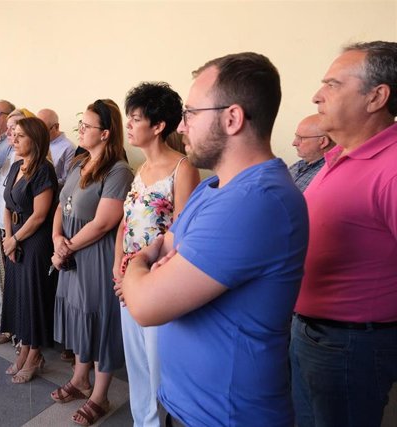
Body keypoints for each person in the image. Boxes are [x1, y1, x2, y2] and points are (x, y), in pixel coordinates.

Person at [121, 53, 308, 426]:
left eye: (191, 113)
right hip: (187, 406)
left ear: (232, 118)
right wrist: (154, 259)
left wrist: (141, 263)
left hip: (225, 415)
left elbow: (144, 304)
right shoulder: (212, 188)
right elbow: (165, 247)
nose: (183, 126)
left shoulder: (255, 200)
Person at [290, 41, 397, 427]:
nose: (318, 95)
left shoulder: (392, 168)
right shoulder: (340, 155)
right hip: (311, 332)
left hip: (351, 345)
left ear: (376, 97)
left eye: (333, 85)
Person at [112, 82, 200, 427]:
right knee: (135, 364)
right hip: (128, 279)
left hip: (157, 280)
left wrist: (143, 277)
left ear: (159, 126)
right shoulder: (139, 170)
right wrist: (119, 272)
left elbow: (181, 234)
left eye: (135, 119)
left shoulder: (183, 169)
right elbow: (125, 222)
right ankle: (142, 422)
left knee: (157, 363)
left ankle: (159, 422)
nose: (129, 125)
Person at [51, 99, 134, 426]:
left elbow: (103, 222)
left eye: (87, 126)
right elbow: (61, 205)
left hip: (95, 255)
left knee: (98, 320)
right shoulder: (77, 162)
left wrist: (66, 247)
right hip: (70, 252)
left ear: (106, 133)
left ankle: (100, 395)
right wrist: (57, 240)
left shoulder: (119, 171)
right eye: (80, 124)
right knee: (77, 314)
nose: (80, 130)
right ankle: (80, 379)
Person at [1, 117, 58, 383]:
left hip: (35, 241)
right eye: (14, 134)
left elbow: (39, 216)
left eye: (20, 135)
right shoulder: (16, 166)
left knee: (33, 298)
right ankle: (24, 347)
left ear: (35, 140)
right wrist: (8, 237)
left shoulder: (43, 170)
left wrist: (15, 240)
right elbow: (8, 206)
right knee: (19, 295)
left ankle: (34, 353)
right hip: (15, 237)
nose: (13, 138)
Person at [0, 108, 35, 345]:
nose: (11, 132)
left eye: (17, 127)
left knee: (21, 285)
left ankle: (22, 333)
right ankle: (7, 325)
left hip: (23, 232)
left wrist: (12, 237)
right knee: (5, 282)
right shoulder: (10, 156)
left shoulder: (35, 161)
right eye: (9, 128)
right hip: (4, 226)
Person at [288, 114, 335, 192]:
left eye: (301, 138)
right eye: (296, 136)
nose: (294, 143)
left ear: (323, 142)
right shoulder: (298, 165)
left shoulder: (328, 176)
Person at [37, 108, 75, 187]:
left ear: (56, 127)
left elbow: (67, 180)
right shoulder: (37, 143)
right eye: (38, 129)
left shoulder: (69, 148)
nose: (40, 134)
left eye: (44, 130)